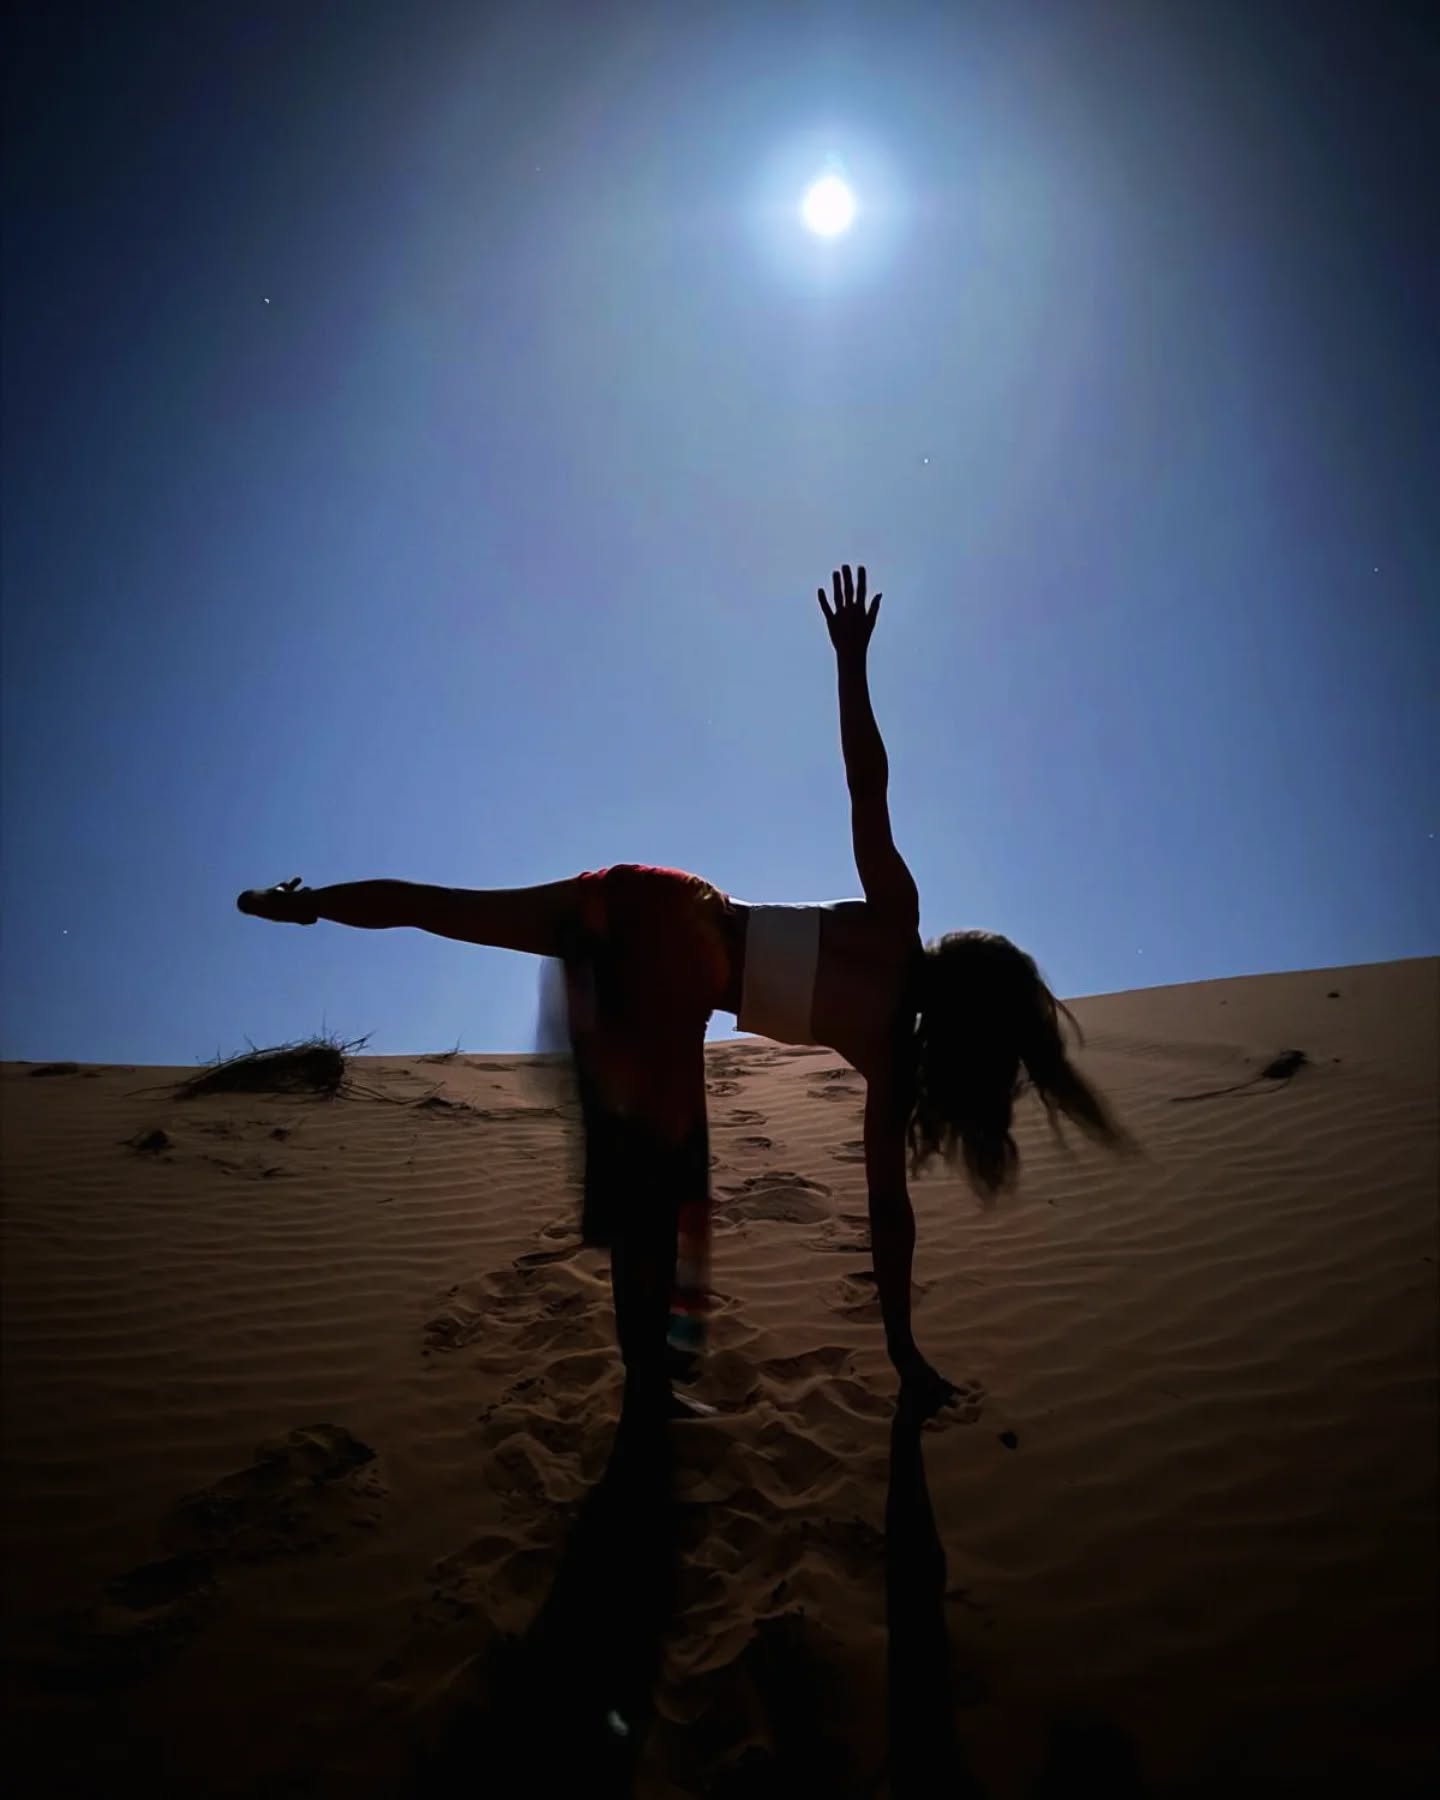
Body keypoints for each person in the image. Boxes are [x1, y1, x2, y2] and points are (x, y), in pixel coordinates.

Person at [237, 565, 1136, 1420]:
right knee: (664, 1185)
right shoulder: (889, 1054)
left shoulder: (898, 921)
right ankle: (648, 1385)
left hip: (665, 896)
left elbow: (869, 787)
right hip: (672, 972)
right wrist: (902, 1351)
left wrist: (851, 664)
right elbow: (889, 1216)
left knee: (460, 913)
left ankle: (304, 901)